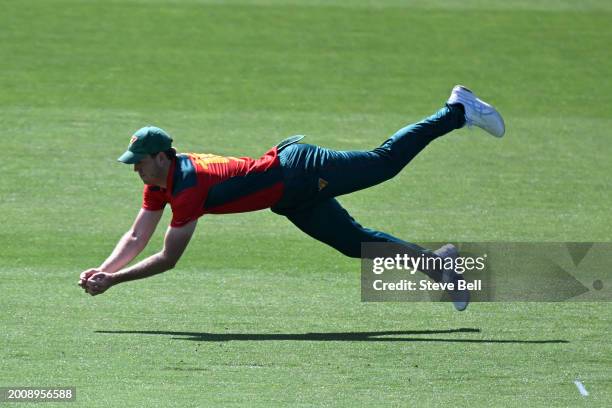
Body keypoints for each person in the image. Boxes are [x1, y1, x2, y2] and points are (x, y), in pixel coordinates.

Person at [78, 85, 505, 311]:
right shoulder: (160, 181)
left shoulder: (188, 187)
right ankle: (439, 264)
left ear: (160, 156)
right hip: (289, 196)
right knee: (354, 244)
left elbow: (168, 258)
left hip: (301, 170)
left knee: (384, 162)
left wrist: (114, 281)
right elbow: (137, 237)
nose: (135, 168)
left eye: (139, 161)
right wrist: (104, 268)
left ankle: (456, 110)